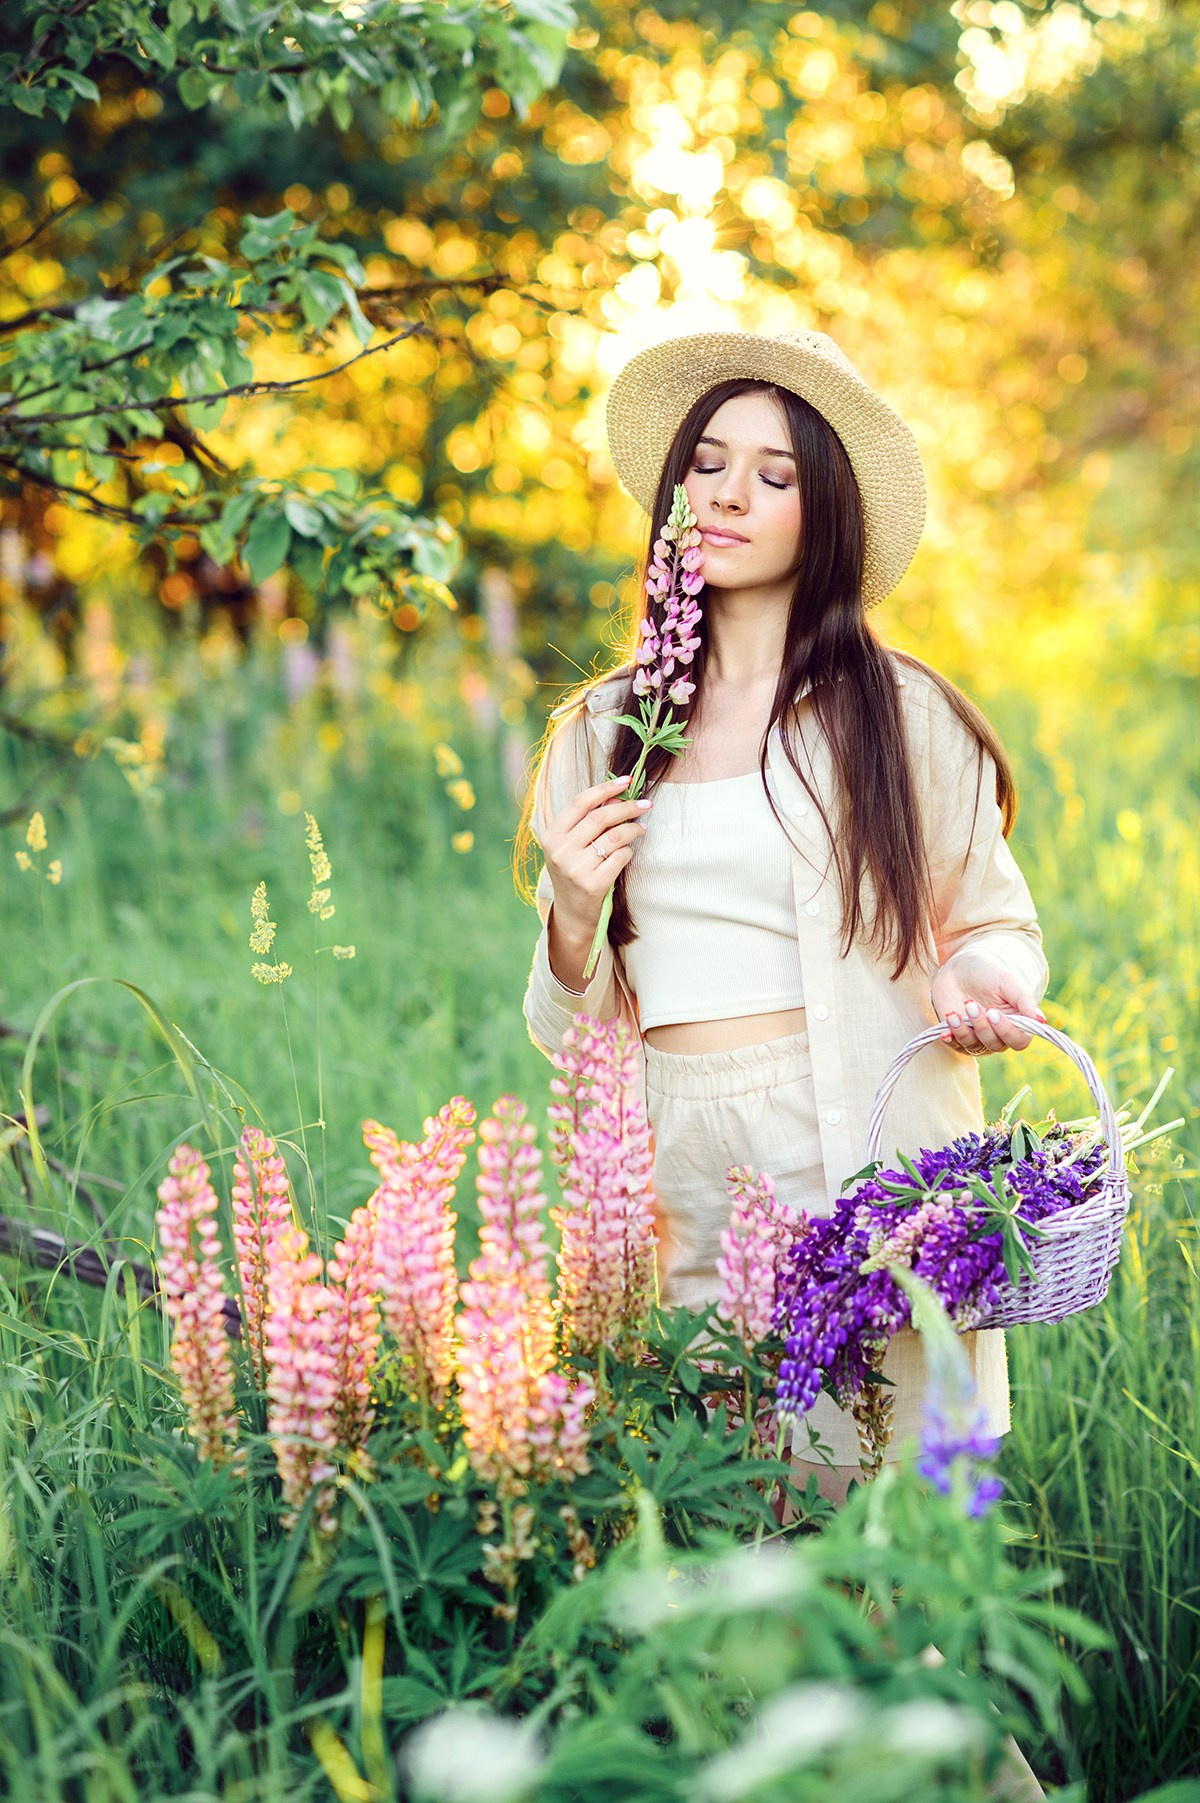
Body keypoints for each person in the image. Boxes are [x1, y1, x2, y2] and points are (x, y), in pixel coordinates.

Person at [514, 325, 1050, 1507]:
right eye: (707, 464)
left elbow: (997, 926)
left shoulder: (900, 716)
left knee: (874, 1498)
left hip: (845, 1135)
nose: (726, 495)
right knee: (705, 1501)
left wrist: (988, 982)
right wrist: (570, 912)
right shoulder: (602, 731)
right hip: (666, 1156)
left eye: (775, 474)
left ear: (828, 511)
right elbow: (568, 1036)